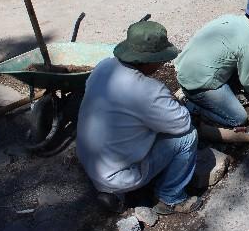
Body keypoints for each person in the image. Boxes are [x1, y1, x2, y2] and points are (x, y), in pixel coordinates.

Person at [76, 20, 202, 215]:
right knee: (188, 137)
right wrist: (173, 102)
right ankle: (171, 197)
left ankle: (115, 192)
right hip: (119, 175)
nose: (162, 63)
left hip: (91, 160)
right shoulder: (148, 91)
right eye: (160, 59)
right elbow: (183, 124)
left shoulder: (104, 67)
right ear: (150, 60)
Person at [175, 2, 249, 127]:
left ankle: (189, 94)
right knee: (239, 118)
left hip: (183, 70)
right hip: (198, 85)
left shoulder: (228, 18)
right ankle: (191, 108)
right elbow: (248, 81)